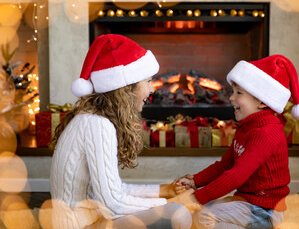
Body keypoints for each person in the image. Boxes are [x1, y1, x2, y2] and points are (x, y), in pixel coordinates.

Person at [49, 34, 192, 229]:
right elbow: (114, 204)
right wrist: (171, 204)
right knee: (179, 214)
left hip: (88, 221)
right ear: (126, 88)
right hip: (83, 226)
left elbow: (114, 191)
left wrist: (164, 190)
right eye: (148, 81)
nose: (152, 90)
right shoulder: (97, 125)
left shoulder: (90, 119)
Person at [175, 55, 299, 229]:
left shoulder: (266, 132)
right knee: (193, 214)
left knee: (203, 216)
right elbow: (224, 165)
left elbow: (236, 175)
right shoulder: (246, 127)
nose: (231, 98)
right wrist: (196, 181)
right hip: (246, 202)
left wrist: (196, 197)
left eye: (239, 93)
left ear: (262, 101)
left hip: (265, 210)